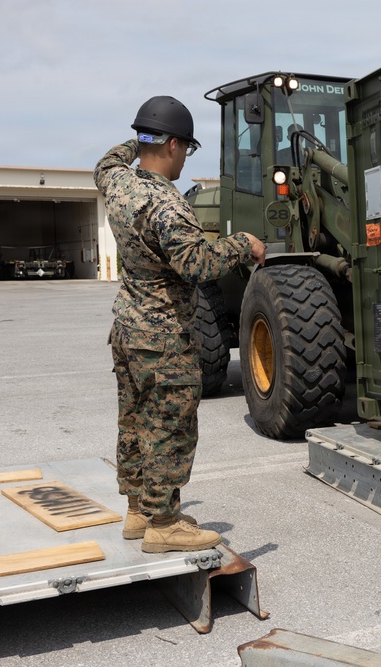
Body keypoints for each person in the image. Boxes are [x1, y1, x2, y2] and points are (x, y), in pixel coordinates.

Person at [94, 95, 266, 553]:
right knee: (170, 424)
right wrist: (242, 244)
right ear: (172, 144)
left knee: (134, 418)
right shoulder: (167, 206)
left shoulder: (117, 185)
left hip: (127, 327)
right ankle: (164, 524)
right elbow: (194, 263)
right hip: (164, 336)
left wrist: (138, 141)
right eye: (185, 148)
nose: (185, 158)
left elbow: (107, 161)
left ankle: (137, 511)